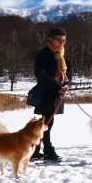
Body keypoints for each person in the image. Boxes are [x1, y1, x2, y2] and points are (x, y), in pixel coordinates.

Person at [30, 27, 72, 162]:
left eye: (64, 40)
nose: (62, 43)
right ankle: (48, 150)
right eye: (59, 40)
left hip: (57, 94)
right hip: (46, 93)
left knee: (46, 122)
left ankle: (34, 150)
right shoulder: (43, 54)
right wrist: (58, 86)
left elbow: (69, 71)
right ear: (51, 40)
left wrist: (67, 84)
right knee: (47, 123)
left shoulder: (62, 54)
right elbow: (40, 75)